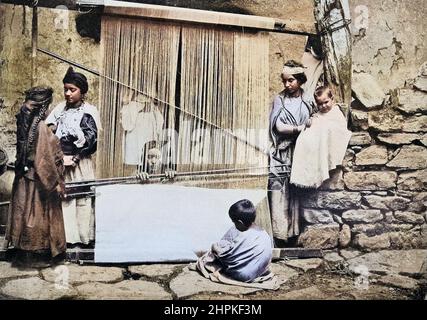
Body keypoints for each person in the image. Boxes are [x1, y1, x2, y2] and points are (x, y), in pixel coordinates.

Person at [6, 86, 66, 267]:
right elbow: (45, 161)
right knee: (38, 216)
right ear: (43, 107)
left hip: (24, 178)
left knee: (24, 214)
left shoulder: (26, 126)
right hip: (38, 182)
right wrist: (55, 182)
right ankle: (38, 255)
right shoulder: (41, 128)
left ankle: (24, 252)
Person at [46, 67, 101, 246]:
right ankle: (66, 239)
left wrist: (75, 158)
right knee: (64, 199)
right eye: (66, 89)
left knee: (82, 199)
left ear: (82, 92)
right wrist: (58, 155)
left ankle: (83, 238)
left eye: (72, 89)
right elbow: (49, 131)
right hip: (62, 162)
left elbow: (91, 141)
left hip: (80, 162)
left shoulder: (89, 112)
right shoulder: (60, 109)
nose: (68, 93)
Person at [268, 60, 314, 247]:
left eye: (291, 80)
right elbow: (278, 125)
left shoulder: (308, 100)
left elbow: (315, 120)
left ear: (300, 80)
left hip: (301, 151)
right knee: (279, 191)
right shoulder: (280, 99)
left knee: (296, 192)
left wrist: (308, 127)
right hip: (283, 150)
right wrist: (299, 128)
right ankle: (279, 234)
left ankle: (294, 233)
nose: (287, 85)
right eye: (285, 81)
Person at [290, 86, 352, 188]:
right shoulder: (318, 114)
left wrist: (324, 127)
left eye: (326, 102)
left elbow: (339, 127)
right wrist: (311, 122)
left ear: (332, 99)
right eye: (320, 104)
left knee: (323, 132)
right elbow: (315, 121)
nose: (323, 106)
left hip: (328, 137)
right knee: (304, 137)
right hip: (317, 142)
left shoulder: (336, 112)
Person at [198, 199, 273, 283]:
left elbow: (225, 256)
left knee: (211, 255)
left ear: (240, 222)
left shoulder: (243, 236)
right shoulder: (263, 233)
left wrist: (214, 247)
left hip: (243, 275)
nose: (234, 225)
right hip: (260, 272)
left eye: (234, 222)